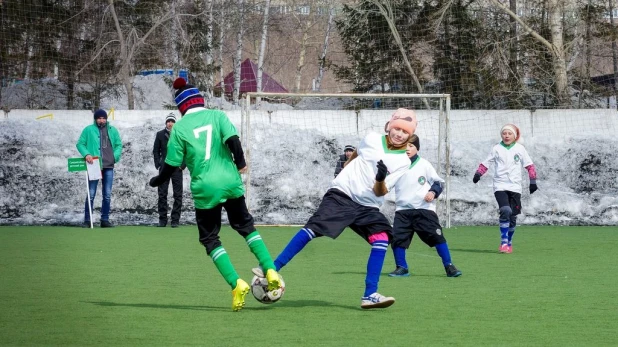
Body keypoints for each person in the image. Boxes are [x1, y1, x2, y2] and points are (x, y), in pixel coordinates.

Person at [254, 108, 418, 309]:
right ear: (389, 126)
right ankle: (271, 269)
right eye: (397, 128)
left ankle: (370, 294)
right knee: (312, 230)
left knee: (382, 239)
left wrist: (380, 178)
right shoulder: (372, 138)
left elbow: (380, 192)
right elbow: (358, 151)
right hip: (343, 195)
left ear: (410, 136)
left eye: (405, 131)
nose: (399, 133)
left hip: (367, 206)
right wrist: (345, 169)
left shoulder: (403, 162)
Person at [148, 78, 281, 312]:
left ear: (182, 108)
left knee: (210, 238)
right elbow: (233, 141)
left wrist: (158, 180)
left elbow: (171, 165)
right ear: (201, 100)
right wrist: (240, 163)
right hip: (230, 182)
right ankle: (269, 268)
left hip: (205, 188)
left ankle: (236, 283)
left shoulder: (179, 128)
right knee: (245, 226)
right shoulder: (218, 116)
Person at [387, 135, 462, 278]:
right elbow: (385, 184)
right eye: (404, 146)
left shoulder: (424, 164)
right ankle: (401, 267)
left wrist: (432, 192)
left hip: (424, 210)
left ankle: (449, 266)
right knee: (397, 239)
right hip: (402, 211)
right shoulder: (395, 166)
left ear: (417, 148)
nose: (407, 149)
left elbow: (438, 182)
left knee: (437, 237)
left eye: (411, 146)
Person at [472, 124, 538, 253]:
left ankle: (509, 241)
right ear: (501, 135)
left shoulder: (520, 149)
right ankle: (503, 242)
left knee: (513, 217)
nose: (506, 136)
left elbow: (529, 166)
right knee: (505, 210)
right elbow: (486, 163)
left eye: (509, 133)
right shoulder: (496, 148)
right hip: (500, 185)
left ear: (515, 136)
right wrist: (478, 173)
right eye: (504, 133)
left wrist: (533, 182)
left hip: (515, 187)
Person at [76, 109, 122, 228]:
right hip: (94, 165)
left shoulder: (112, 130)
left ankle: (104, 220)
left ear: (106, 119)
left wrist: (114, 157)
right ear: (95, 119)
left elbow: (118, 145)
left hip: (109, 165)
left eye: (103, 118)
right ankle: (88, 220)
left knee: (107, 194)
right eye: (99, 118)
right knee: (91, 193)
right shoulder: (88, 130)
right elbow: (80, 144)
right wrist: (87, 154)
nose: (101, 120)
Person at [152, 113, 185, 228]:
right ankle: (162, 220)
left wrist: (183, 165)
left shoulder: (180, 134)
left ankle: (175, 220)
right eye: (168, 121)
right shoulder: (160, 134)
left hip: (177, 168)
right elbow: (156, 150)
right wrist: (158, 163)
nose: (170, 123)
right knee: (162, 194)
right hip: (164, 168)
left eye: (172, 121)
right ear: (166, 123)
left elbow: (186, 150)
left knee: (178, 195)